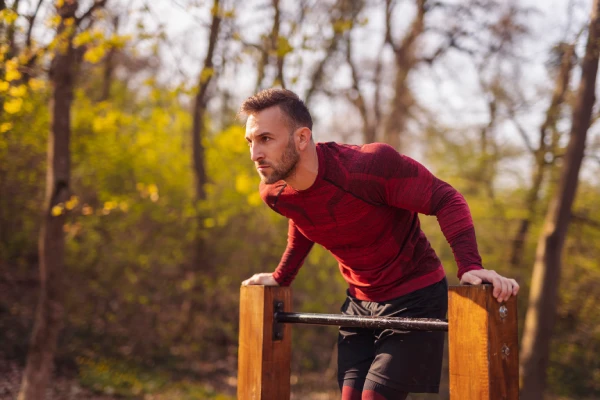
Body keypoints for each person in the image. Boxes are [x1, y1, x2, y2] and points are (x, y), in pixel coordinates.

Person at [239, 88, 519, 400]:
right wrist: (281, 277)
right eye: (251, 142)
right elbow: (305, 220)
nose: (254, 154)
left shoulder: (368, 166)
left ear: (302, 138)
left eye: (265, 139)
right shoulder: (275, 193)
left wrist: (470, 267)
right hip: (359, 303)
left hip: (416, 298)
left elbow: (446, 198)